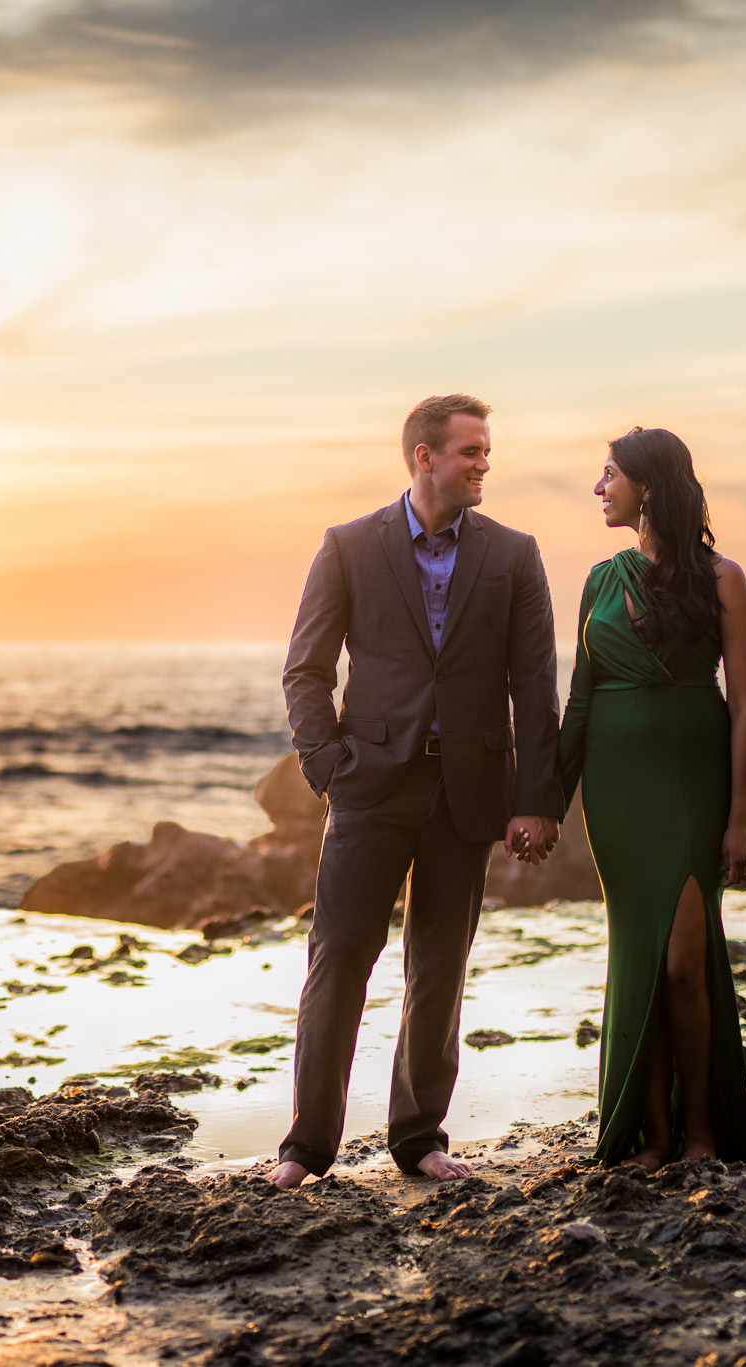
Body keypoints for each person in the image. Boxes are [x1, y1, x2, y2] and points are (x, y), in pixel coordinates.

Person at [270, 394, 563, 1189]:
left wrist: (536, 799)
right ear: (424, 456)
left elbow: (536, 687)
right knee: (338, 960)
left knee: (440, 965)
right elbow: (306, 668)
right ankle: (307, 1146)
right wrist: (326, 764)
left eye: (486, 451)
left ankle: (418, 1137)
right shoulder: (348, 546)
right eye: (471, 451)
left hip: (466, 792)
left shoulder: (514, 555)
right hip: (369, 786)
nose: (483, 464)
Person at [557, 426, 746, 1173]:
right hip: (616, 793)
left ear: (648, 486)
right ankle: (648, 1138)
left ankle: (701, 1131)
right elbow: (578, 701)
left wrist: (741, 817)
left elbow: (744, 707)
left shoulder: (722, 577)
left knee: (683, 961)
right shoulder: (599, 580)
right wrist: (547, 800)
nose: (599, 486)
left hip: (690, 782)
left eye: (609, 474)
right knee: (639, 955)